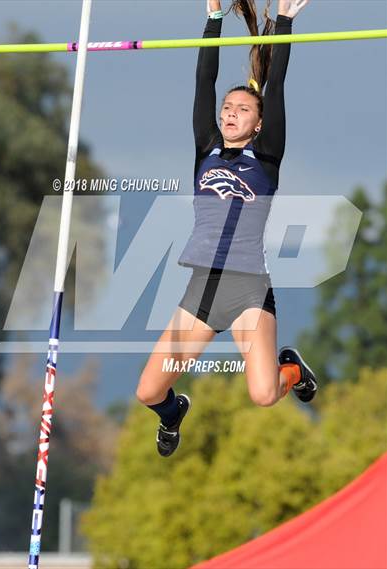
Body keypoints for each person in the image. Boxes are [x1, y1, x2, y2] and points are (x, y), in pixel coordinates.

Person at [136, 0, 317, 458]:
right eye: (227, 107)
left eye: (242, 109)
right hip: (202, 291)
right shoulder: (206, 150)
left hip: (248, 292)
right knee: (149, 392)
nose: (231, 112)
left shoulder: (267, 157)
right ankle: (174, 413)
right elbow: (203, 81)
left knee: (262, 394)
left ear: (258, 125)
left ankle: (292, 370)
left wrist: (286, 23)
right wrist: (213, 18)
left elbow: (276, 87)